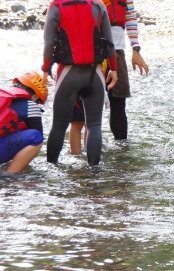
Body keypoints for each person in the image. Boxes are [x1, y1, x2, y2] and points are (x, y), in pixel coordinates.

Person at [42, 0, 118, 166]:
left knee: (59, 125)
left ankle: (50, 169)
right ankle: (93, 173)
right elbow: (110, 43)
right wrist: (114, 69)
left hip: (67, 73)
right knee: (94, 125)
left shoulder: (56, 6)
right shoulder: (98, 5)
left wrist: (45, 69)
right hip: (94, 73)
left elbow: (48, 43)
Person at [104, 0, 149, 140]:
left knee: (118, 101)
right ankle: (91, 150)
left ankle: (122, 149)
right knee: (92, 101)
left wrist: (135, 49)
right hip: (94, 52)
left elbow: (130, 19)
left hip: (118, 51)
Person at [0, 71, 47, 174]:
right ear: (35, 96)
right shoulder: (32, 105)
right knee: (36, 137)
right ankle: (10, 176)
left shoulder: (3, 94)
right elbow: (37, 141)